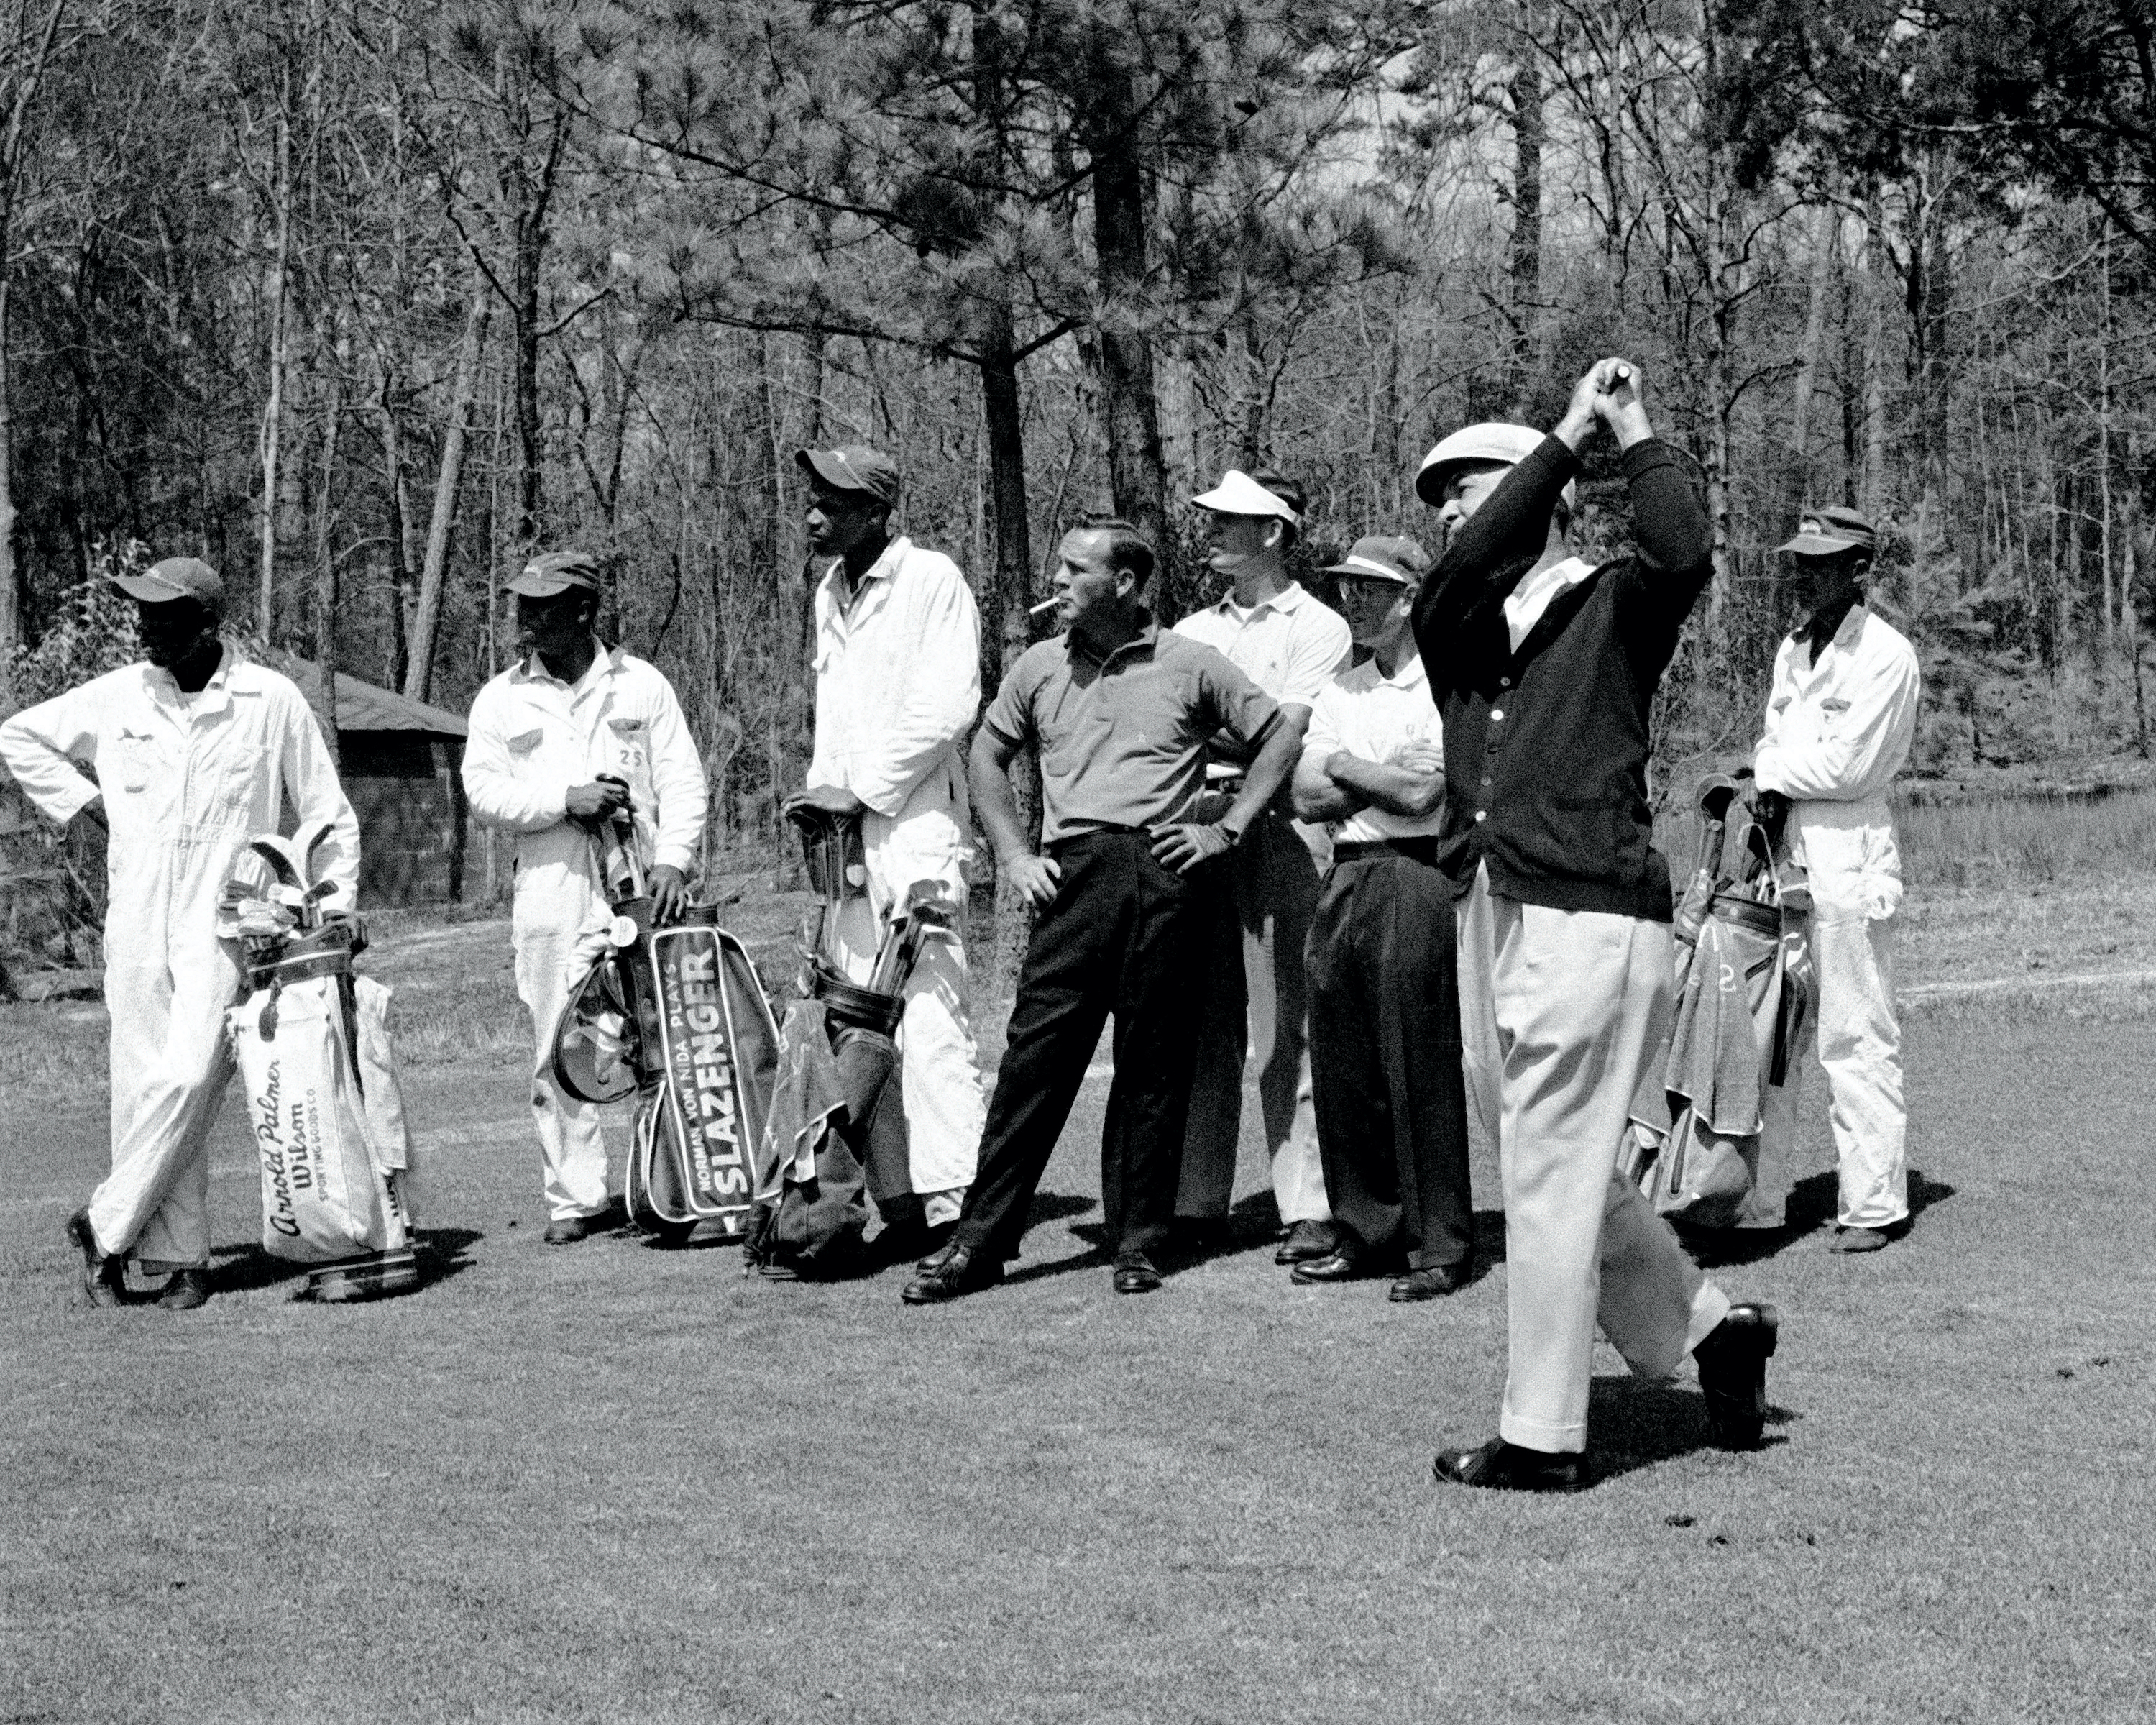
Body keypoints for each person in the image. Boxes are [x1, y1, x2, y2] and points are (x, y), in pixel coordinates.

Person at [1412, 361, 1781, 1493]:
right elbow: (1458, 571)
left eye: (1468, 488)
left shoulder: (1616, 599)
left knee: (1549, 1174)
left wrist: (1610, 429)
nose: (1450, 512)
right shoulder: (1460, 622)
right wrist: (1554, 446)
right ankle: (1714, 1328)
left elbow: (1681, 549)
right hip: (1491, 902)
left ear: (1544, 490)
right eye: (1440, 499)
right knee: (1550, 1163)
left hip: (1589, 906)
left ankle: (1540, 1432)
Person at [902, 518, 1300, 1303]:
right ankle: (979, 1242)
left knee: (1153, 1065)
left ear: (1122, 583)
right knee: (1034, 1062)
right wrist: (1014, 852)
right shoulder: (1038, 665)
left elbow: (1278, 733)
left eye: (1073, 567)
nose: (1056, 578)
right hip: (1073, 876)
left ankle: (1139, 1241)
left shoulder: (1189, 662)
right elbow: (985, 754)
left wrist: (1225, 826)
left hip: (1165, 871)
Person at [1, 555, 358, 1310]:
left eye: (164, 615)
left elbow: (325, 812)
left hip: (225, 916)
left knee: (194, 1073)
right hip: (133, 910)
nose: (146, 627)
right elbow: (19, 736)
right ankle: (180, 1258)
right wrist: (87, 804)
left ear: (209, 623)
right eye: (142, 612)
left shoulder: (269, 698)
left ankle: (103, 1225)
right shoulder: (118, 694)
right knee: (142, 1085)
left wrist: (333, 901)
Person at [463, 550, 707, 1244]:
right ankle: (577, 1196)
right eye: (522, 604)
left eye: (544, 605)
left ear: (583, 610)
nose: (527, 618)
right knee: (556, 1038)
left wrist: (674, 862)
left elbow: (684, 782)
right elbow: (482, 791)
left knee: (659, 1032)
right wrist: (561, 799)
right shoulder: (501, 697)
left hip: (639, 886)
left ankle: (670, 1182)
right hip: (550, 885)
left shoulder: (641, 685)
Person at [792, 444, 986, 1245]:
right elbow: (836, 715)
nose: (812, 513)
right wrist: (820, 800)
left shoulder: (931, 579)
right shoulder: (825, 592)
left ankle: (959, 1200)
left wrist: (863, 788)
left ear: (875, 512)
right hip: (846, 839)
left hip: (915, 828)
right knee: (855, 1019)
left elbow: (949, 706)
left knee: (932, 1018)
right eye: (812, 498)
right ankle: (899, 1201)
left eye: (831, 502)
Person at [1170, 467, 1351, 1265]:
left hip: (1277, 828)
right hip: (1191, 824)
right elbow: (1181, 734)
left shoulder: (1318, 626)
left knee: (1286, 1021)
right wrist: (1240, 732)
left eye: (1229, 520)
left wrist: (1235, 734)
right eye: (1209, 517)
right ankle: (1193, 1199)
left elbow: (1282, 735)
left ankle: (1306, 1202)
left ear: (1273, 532)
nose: (1210, 531)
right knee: (1201, 1015)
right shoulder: (1186, 629)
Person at [1288, 535, 1473, 1301]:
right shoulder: (1342, 688)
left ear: (1409, 595)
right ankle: (1364, 1228)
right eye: (1344, 587)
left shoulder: (1444, 685)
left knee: (1416, 1059)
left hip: (1416, 871)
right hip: (1346, 871)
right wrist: (1366, 774)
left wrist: (1342, 767)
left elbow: (1423, 797)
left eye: (1368, 587)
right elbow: (1304, 796)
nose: (1351, 600)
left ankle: (1439, 1241)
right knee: (1343, 1058)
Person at [1751, 506, 1920, 1251]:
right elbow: (1774, 737)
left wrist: (1763, 771)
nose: (1802, 574)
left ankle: (1872, 1202)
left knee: (1853, 1032)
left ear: (1859, 570)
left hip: (1849, 851)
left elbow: (1847, 769)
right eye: (1797, 560)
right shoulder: (1791, 650)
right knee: (1768, 1031)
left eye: (1820, 562)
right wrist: (1765, 773)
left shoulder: (1885, 654)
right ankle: (1751, 1203)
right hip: (1780, 848)